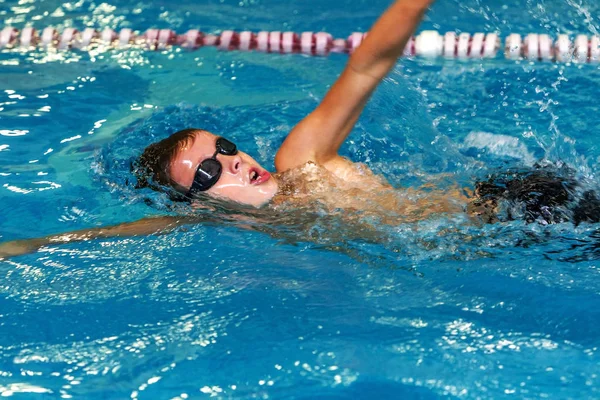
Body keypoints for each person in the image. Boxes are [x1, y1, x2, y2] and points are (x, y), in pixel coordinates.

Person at [1, 0, 598, 259]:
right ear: (197, 204)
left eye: (226, 149)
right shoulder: (230, 226)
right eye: (210, 172)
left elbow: (364, 65)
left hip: (521, 210)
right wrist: (26, 245)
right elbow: (126, 232)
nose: (232, 163)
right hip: (517, 236)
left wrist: (413, 6)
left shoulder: (303, 160)